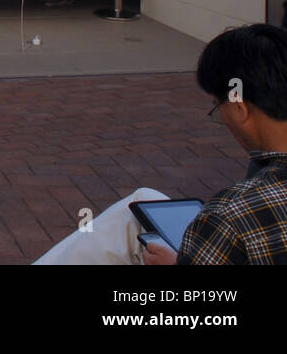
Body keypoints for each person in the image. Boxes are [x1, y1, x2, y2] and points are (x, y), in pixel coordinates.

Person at [35, 23, 287, 264]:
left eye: (218, 107)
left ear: (240, 108)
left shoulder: (230, 216)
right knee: (144, 200)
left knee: (132, 219)